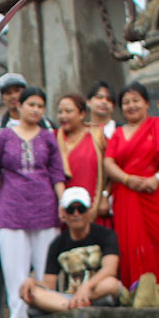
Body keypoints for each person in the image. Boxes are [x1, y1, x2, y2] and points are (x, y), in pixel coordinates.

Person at [0, 86, 67, 318]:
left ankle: (45, 313)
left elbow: (57, 173)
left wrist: (63, 201)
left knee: (45, 266)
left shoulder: (48, 137)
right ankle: (18, 317)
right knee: (14, 268)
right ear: (20, 106)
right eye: (32, 105)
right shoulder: (3, 137)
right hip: (10, 209)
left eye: (41, 106)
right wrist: (13, 188)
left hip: (45, 208)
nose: (36, 110)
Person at [100, 83, 159, 305]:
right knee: (130, 247)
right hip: (128, 193)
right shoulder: (117, 133)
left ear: (147, 103)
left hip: (157, 190)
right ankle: (136, 300)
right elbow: (109, 163)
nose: (131, 106)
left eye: (135, 100)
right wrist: (127, 179)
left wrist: (158, 178)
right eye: (126, 102)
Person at [21, 188, 124, 315]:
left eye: (81, 209)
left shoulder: (106, 235)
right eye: (71, 210)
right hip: (66, 297)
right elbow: (49, 284)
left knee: (112, 284)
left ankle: (72, 305)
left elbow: (110, 269)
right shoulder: (57, 244)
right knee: (31, 292)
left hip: (96, 293)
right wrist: (32, 281)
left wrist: (87, 287)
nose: (76, 214)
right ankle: (72, 306)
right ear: (64, 213)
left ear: (90, 211)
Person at [53, 93, 108, 224]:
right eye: (60, 112)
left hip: (94, 204)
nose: (63, 116)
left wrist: (105, 196)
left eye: (68, 111)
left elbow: (110, 170)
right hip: (64, 209)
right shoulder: (53, 138)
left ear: (82, 114)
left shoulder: (97, 136)